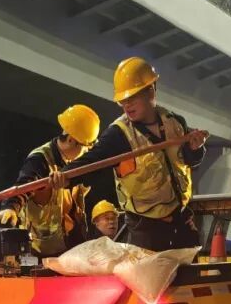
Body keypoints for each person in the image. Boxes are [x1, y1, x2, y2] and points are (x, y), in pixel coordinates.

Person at [51, 57, 209, 251]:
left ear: (151, 91)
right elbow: (92, 161)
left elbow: (189, 161)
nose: (127, 105)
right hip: (147, 230)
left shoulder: (175, 122)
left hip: (182, 221)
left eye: (132, 98)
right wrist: (65, 176)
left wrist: (195, 148)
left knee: (189, 269)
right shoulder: (119, 134)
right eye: (123, 100)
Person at [0, 104, 100, 257]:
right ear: (71, 140)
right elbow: (25, 185)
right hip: (41, 249)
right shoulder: (40, 160)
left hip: (70, 246)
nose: (87, 152)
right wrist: (10, 207)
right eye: (85, 146)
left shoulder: (74, 162)